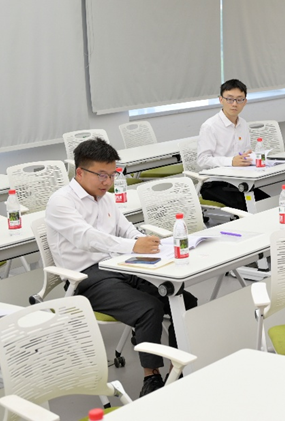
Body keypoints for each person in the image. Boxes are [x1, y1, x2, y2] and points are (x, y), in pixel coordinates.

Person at [45, 138, 198, 397]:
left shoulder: (104, 197)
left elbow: (125, 228)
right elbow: (87, 238)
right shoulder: (61, 202)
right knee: (148, 308)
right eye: (101, 175)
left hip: (120, 266)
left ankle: (177, 369)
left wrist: (143, 241)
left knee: (183, 299)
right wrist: (133, 246)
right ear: (80, 172)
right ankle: (151, 378)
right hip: (86, 277)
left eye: (112, 174)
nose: (107, 182)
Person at [197, 79, 268, 211]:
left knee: (267, 203)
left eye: (239, 99)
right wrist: (231, 161)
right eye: (230, 99)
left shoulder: (243, 124)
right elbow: (202, 160)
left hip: (240, 180)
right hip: (215, 183)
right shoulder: (210, 126)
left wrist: (249, 157)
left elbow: (246, 151)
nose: (234, 104)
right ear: (221, 100)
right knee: (250, 208)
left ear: (245, 102)